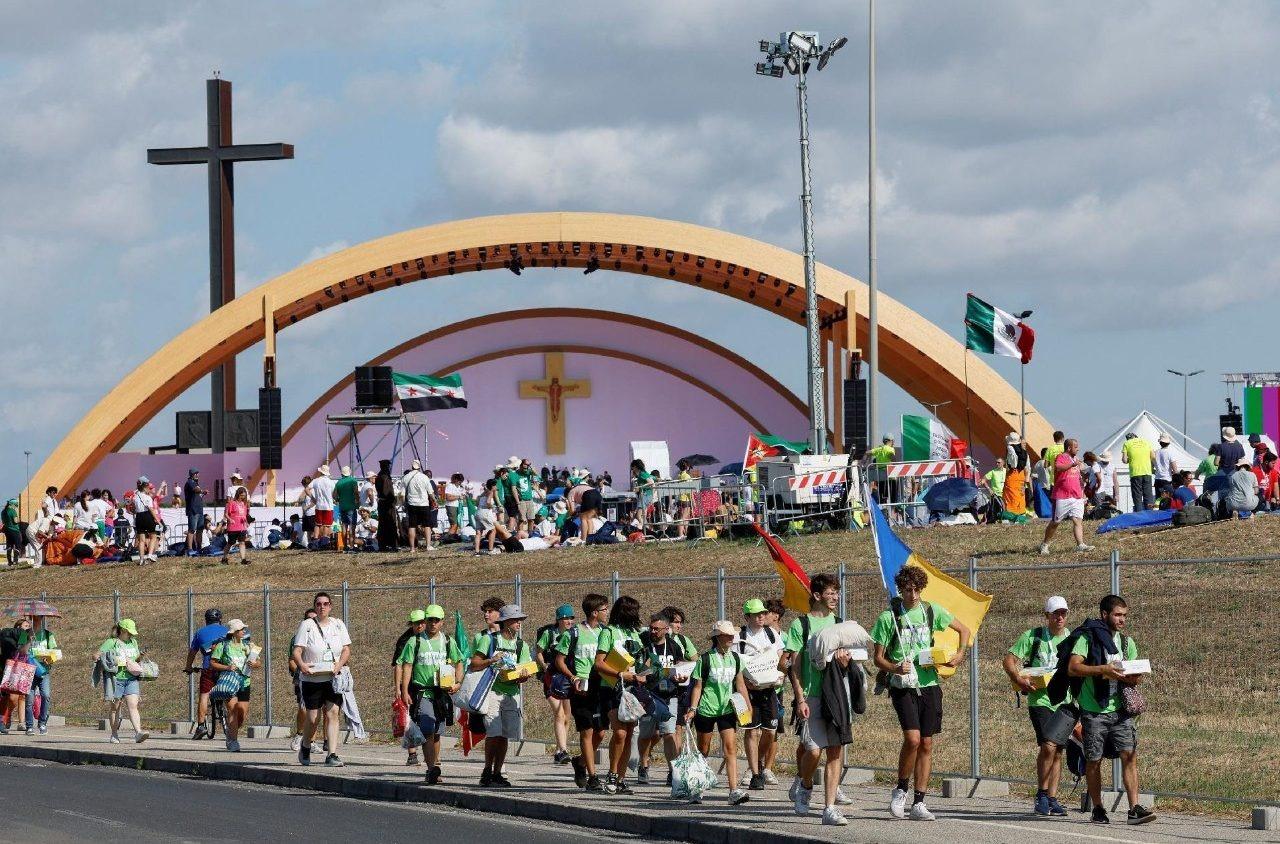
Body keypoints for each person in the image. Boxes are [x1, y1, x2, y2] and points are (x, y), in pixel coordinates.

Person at [871, 565, 970, 822]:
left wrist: (959, 655)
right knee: (913, 739)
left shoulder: (930, 611)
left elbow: (964, 631)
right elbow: (878, 659)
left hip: (929, 683)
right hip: (902, 685)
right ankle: (901, 789)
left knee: (927, 742)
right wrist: (895, 667)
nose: (912, 595)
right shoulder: (889, 617)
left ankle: (919, 801)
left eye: (916, 590)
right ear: (900, 590)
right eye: (907, 590)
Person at [1065, 595, 1154, 826]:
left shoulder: (1126, 643)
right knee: (1094, 760)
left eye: (1124, 615)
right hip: (1094, 710)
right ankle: (1098, 808)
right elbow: (1074, 667)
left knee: (1129, 755)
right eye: (1117, 615)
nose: (1122, 619)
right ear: (1105, 614)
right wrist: (1103, 669)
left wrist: (1134, 676)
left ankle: (1134, 808)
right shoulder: (1088, 638)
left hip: (1120, 709)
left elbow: (1134, 678)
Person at [783, 574, 855, 823]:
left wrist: (845, 662)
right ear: (816, 595)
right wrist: (800, 698)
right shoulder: (800, 626)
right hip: (812, 696)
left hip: (836, 695)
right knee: (813, 751)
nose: (835, 597)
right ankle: (804, 786)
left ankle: (829, 809)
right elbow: (793, 666)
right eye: (830, 592)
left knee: (835, 751)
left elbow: (849, 661)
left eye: (837, 592)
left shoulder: (840, 623)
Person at [1003, 596, 1078, 817]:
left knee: (1058, 751)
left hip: (1064, 701)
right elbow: (1009, 660)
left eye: (1063, 613)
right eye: (1055, 613)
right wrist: (1019, 678)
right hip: (1040, 700)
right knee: (1048, 745)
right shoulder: (1033, 636)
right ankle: (1042, 794)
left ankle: (1053, 798)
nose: (1060, 617)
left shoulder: (1073, 639)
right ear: (1047, 616)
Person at [685, 619, 752, 806]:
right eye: (727, 635)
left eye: (732, 634)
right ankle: (698, 788)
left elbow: (740, 683)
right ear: (717, 637)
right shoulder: (705, 659)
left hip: (727, 709)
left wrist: (747, 705)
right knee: (703, 750)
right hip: (706, 709)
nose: (731, 637)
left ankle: (733, 790)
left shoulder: (736, 658)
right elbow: (698, 687)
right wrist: (693, 708)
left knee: (730, 748)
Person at [397, 604, 462, 784]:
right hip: (423, 692)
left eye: (436, 620)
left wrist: (458, 683)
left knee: (437, 732)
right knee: (428, 728)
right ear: (425, 621)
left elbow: (458, 662)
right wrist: (404, 690)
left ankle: (435, 764)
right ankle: (432, 769)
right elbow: (407, 666)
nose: (433, 623)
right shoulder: (415, 641)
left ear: (442, 622)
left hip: (441, 693)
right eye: (430, 620)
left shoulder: (448, 641)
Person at [471, 604, 533, 787]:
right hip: (492, 692)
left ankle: (498, 772)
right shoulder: (490, 640)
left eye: (520, 620)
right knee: (494, 732)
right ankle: (487, 770)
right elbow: (474, 663)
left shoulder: (522, 645)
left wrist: (523, 676)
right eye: (515, 620)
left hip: (511, 695)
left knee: (504, 735)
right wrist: (491, 660)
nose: (519, 623)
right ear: (505, 622)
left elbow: (526, 670)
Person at [556, 592, 609, 793]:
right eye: (604, 609)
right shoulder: (574, 633)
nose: (607, 613)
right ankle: (593, 776)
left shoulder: (605, 632)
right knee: (586, 731)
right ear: (594, 612)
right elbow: (559, 660)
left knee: (601, 732)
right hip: (581, 688)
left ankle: (580, 761)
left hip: (601, 686)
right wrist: (573, 677)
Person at [292, 591, 351, 767]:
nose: (322, 607)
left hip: (332, 678)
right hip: (312, 679)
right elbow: (297, 651)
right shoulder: (307, 625)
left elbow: (346, 649)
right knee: (313, 719)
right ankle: (305, 744)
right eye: (319, 604)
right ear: (315, 606)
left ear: (330, 606)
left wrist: (339, 665)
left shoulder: (338, 625)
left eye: (326, 604)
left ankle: (332, 754)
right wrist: (302, 665)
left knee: (333, 713)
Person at [593, 595, 645, 795]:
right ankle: (612, 774)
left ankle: (622, 779)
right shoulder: (609, 632)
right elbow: (599, 662)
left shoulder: (634, 633)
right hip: (612, 687)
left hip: (632, 687)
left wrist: (643, 673)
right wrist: (619, 674)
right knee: (620, 732)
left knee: (630, 733)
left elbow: (642, 659)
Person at [636, 611, 688, 785]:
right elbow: (642, 671)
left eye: (657, 629)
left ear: (666, 629)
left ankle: (672, 771)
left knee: (669, 733)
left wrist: (681, 676)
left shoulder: (673, 646)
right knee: (646, 734)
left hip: (669, 696)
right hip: (647, 695)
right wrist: (663, 671)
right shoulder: (643, 645)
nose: (653, 631)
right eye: (651, 628)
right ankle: (643, 765)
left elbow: (680, 666)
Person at [737, 598, 783, 790]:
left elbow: (780, 655)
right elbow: (736, 665)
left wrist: (777, 672)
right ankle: (755, 773)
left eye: (763, 613)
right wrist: (746, 684)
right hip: (746, 692)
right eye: (757, 614)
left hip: (770, 690)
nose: (761, 617)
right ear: (748, 616)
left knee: (770, 731)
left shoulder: (771, 634)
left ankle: (755, 764)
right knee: (750, 731)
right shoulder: (738, 637)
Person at [209, 619, 260, 751]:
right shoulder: (223, 645)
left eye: (244, 629)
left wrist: (254, 664)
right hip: (230, 682)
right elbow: (213, 663)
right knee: (233, 709)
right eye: (241, 629)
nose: (244, 631)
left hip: (244, 682)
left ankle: (230, 733)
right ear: (234, 632)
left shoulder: (248, 646)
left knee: (242, 715)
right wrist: (226, 667)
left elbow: (258, 663)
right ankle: (233, 741)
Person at [535, 604, 577, 765]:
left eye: (571, 618)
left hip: (567, 678)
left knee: (567, 716)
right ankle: (563, 750)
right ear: (558, 619)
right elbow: (538, 651)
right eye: (565, 618)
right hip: (551, 678)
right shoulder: (549, 633)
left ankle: (560, 750)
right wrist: (544, 666)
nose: (569, 621)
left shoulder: (573, 634)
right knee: (559, 713)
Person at [96, 619, 149, 744]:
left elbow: (135, 660)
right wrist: (108, 659)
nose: (131, 635)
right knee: (115, 708)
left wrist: (140, 656)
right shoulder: (111, 642)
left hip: (131, 678)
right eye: (129, 632)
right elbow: (96, 655)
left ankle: (138, 732)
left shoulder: (133, 642)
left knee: (133, 705)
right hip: (116, 679)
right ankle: (114, 734)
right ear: (123, 630)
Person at [1040, 438, 1095, 554]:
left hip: (1076, 495)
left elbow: (1079, 475)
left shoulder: (1076, 459)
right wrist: (1072, 464)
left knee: (1077, 521)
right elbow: (1059, 468)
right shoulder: (1061, 457)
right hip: (1062, 496)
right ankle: (1045, 544)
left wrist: (1085, 477)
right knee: (1055, 522)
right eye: (1076, 447)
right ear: (1069, 448)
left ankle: (1080, 544)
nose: (1078, 449)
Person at [185, 608, 229, 741]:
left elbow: (192, 652)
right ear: (220, 619)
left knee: (204, 695)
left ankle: (201, 726)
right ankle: (231, 722)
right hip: (224, 667)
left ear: (206, 620)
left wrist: (188, 667)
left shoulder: (200, 632)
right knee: (229, 692)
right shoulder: (227, 631)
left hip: (208, 667)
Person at [394, 609, 429, 765]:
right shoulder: (405, 640)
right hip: (409, 684)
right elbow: (398, 665)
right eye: (416, 623)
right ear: (412, 624)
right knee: (409, 718)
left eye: (422, 622)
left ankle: (432, 756)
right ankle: (412, 753)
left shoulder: (430, 639)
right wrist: (399, 689)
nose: (420, 626)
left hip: (426, 683)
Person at [288, 607, 319, 751]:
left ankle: (311, 741)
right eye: (309, 619)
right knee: (304, 709)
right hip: (302, 677)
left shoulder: (322, 636)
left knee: (316, 710)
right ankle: (300, 734)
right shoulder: (297, 638)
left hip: (318, 677)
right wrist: (302, 671)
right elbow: (292, 661)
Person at [24, 616, 57, 734]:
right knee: (29, 700)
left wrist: (50, 659)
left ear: (42, 618)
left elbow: (54, 653)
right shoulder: (26, 633)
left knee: (46, 695)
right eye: (35, 617)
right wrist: (28, 640)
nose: (37, 619)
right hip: (29, 671)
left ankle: (42, 723)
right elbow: (21, 651)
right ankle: (29, 726)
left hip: (44, 671)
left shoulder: (48, 635)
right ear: (31, 618)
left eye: (39, 617)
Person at [403, 460, 436, 552]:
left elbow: (401, 494)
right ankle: (428, 546)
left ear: (412, 466)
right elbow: (430, 492)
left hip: (412, 504)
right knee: (427, 525)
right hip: (423, 504)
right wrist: (434, 501)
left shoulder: (406, 477)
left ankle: (412, 548)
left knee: (412, 526)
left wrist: (403, 503)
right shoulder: (424, 477)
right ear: (419, 466)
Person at [1121, 432, 1155, 512]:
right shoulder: (1146, 442)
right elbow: (1153, 456)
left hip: (1135, 473)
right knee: (1148, 495)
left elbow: (1124, 460)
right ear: (1136, 437)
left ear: (1128, 439)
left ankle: (1140, 515)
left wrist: (1131, 459)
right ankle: (1150, 514)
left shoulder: (1126, 443)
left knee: (1137, 496)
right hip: (1147, 472)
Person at [131, 477, 160, 562]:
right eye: (148, 486)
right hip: (147, 516)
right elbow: (151, 509)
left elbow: (133, 510)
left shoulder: (135, 497)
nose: (149, 488)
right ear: (145, 486)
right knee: (153, 536)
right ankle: (150, 555)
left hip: (139, 517)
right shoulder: (148, 497)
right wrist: (158, 520)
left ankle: (141, 559)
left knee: (141, 540)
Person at [334, 466, 360, 551]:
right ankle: (352, 546)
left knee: (344, 526)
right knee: (352, 527)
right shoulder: (353, 481)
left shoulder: (338, 482)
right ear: (349, 472)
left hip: (342, 507)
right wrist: (358, 502)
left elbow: (334, 495)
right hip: (351, 507)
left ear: (342, 473)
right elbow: (356, 493)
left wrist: (339, 499)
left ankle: (345, 546)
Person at [1003, 433, 1030, 517]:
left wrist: (1009, 448)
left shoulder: (1011, 449)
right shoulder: (1025, 453)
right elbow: (1028, 467)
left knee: (1010, 495)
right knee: (1020, 495)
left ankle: (1012, 515)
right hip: (1021, 475)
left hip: (1012, 475)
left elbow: (1013, 464)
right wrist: (1027, 479)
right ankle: (1020, 513)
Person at [223, 486, 250, 565]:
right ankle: (224, 558)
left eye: (244, 496)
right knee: (230, 543)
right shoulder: (231, 503)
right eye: (241, 495)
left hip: (242, 527)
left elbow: (244, 515)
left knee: (242, 542)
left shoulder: (243, 504)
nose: (242, 497)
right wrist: (230, 519)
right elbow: (226, 514)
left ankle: (243, 560)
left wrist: (246, 521)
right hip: (233, 527)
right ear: (238, 494)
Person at [183, 468, 207, 555]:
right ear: (191, 475)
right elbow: (196, 490)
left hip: (199, 509)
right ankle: (190, 549)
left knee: (200, 529)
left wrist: (203, 494)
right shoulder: (190, 482)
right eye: (195, 473)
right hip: (193, 510)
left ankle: (199, 548)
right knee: (192, 529)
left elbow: (197, 495)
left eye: (198, 473)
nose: (197, 475)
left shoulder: (196, 483)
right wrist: (202, 491)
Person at [311, 466, 337, 543]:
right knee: (327, 525)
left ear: (321, 472)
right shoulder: (331, 482)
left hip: (319, 505)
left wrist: (313, 499)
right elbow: (334, 494)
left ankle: (315, 540)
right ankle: (324, 540)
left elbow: (306, 489)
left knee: (317, 524)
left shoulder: (315, 481)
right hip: (328, 506)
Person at [1153, 433, 1178, 498]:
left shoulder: (1155, 453)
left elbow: (1151, 468)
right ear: (1168, 443)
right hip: (1166, 480)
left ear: (1160, 442)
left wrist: (1157, 471)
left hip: (1157, 480)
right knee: (1167, 501)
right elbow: (1175, 470)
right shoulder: (1170, 453)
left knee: (1158, 500)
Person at [2, 498, 21, 565]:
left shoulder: (3, 512)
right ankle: (15, 561)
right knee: (18, 545)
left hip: (7, 530)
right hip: (15, 530)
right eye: (16, 505)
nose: (16, 507)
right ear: (13, 504)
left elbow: (3, 522)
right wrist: (19, 520)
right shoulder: (12, 511)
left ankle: (9, 562)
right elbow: (15, 521)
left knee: (9, 546)